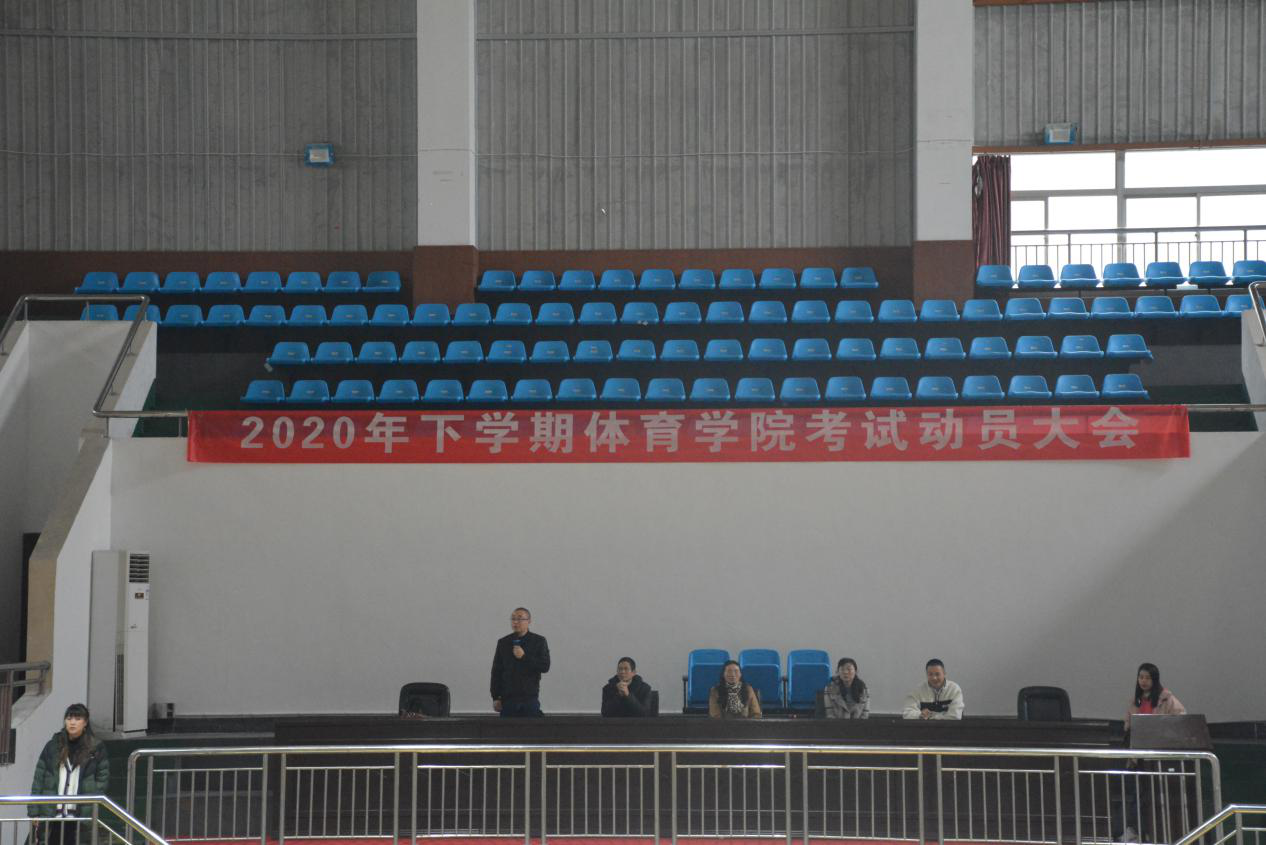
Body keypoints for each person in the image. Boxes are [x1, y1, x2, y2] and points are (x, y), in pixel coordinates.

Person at [29, 703, 110, 845]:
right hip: (52, 814)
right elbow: (39, 778)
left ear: (85, 723)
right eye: (69, 718)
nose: (72, 722)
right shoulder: (53, 746)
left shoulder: (96, 747)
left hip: (79, 815)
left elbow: (103, 777)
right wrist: (34, 811)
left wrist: (92, 793)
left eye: (78, 719)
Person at [490, 607, 550, 717]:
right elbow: (496, 672)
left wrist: (524, 657)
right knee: (506, 727)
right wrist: (495, 697)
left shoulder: (539, 641)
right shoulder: (503, 642)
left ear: (529, 621)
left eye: (520, 619)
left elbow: (545, 666)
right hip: (508, 699)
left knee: (532, 726)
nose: (515, 622)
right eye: (513, 619)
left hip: (529, 697)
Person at [1125, 662, 1186, 730]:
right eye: (1141, 677)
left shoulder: (1166, 698)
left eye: (1148, 678)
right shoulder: (1134, 701)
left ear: (1155, 680)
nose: (1143, 680)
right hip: (1139, 736)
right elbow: (1128, 724)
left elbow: (1181, 718)